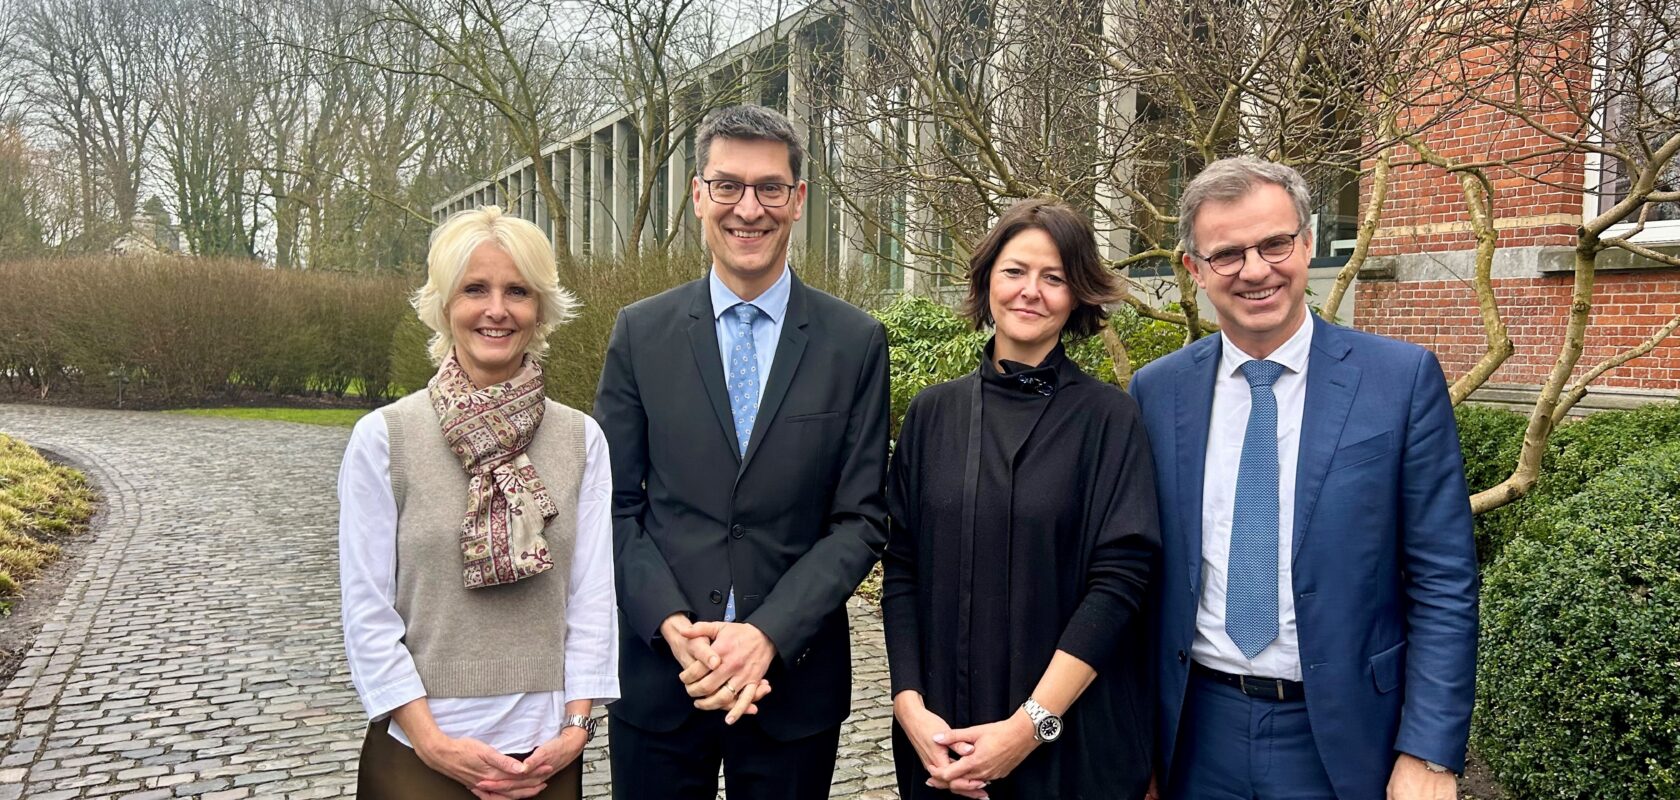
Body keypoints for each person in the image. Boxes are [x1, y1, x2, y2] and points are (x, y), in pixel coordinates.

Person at [1130, 157, 1478, 800]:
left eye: (1275, 243)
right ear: (1195, 270)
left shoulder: (1398, 382)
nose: (1256, 270)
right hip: (1193, 731)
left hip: (1346, 736)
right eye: (1227, 254)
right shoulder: (1156, 392)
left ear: (1308, 242)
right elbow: (1137, 575)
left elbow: (1444, 577)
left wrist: (1428, 752)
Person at [592, 104, 891, 800]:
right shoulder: (641, 334)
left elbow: (861, 519)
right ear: (697, 195)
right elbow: (612, 505)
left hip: (793, 686)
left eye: (769, 188)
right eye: (727, 185)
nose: (747, 208)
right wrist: (672, 627)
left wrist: (766, 634)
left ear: (798, 200)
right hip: (663, 684)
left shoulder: (854, 343)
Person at [882, 199, 1161, 800]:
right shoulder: (934, 414)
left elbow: (1120, 582)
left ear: (1078, 294)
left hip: (1072, 746)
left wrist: (1030, 727)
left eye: (1054, 277)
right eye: (1014, 271)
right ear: (987, 282)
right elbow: (901, 566)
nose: (1031, 291)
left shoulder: (1111, 419)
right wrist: (910, 709)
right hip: (941, 743)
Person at [339, 206, 618, 800]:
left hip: (545, 755)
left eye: (517, 290)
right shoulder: (384, 438)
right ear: (443, 305)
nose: (497, 309)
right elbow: (367, 612)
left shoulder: (581, 439)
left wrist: (576, 728)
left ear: (540, 307)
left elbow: (592, 599)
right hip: (419, 755)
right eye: (475, 289)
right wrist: (432, 742)